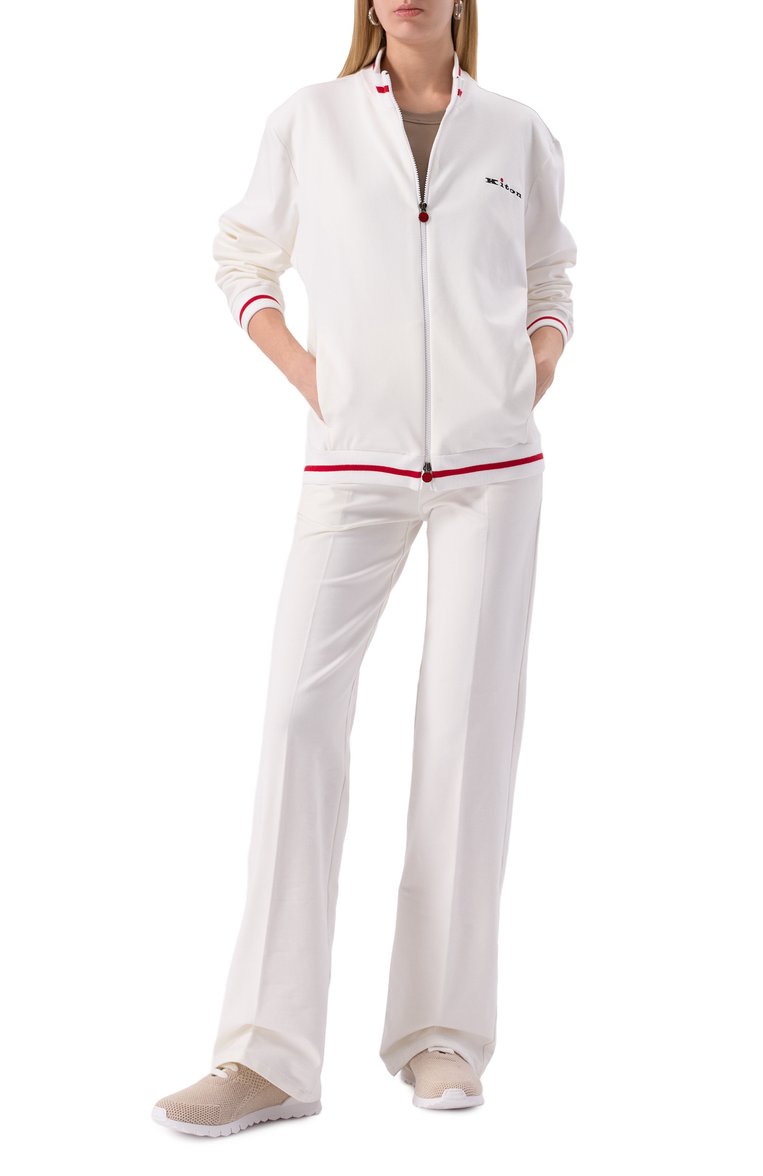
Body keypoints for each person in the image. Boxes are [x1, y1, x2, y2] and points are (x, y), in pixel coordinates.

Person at [153, 0, 576, 1136]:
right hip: (354, 459)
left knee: (465, 732)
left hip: (492, 470)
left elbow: (550, 274)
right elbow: (242, 252)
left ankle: (442, 1036)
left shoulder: (516, 129)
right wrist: (306, 370)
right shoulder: (311, 118)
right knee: (298, 717)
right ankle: (266, 1056)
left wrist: (534, 367)